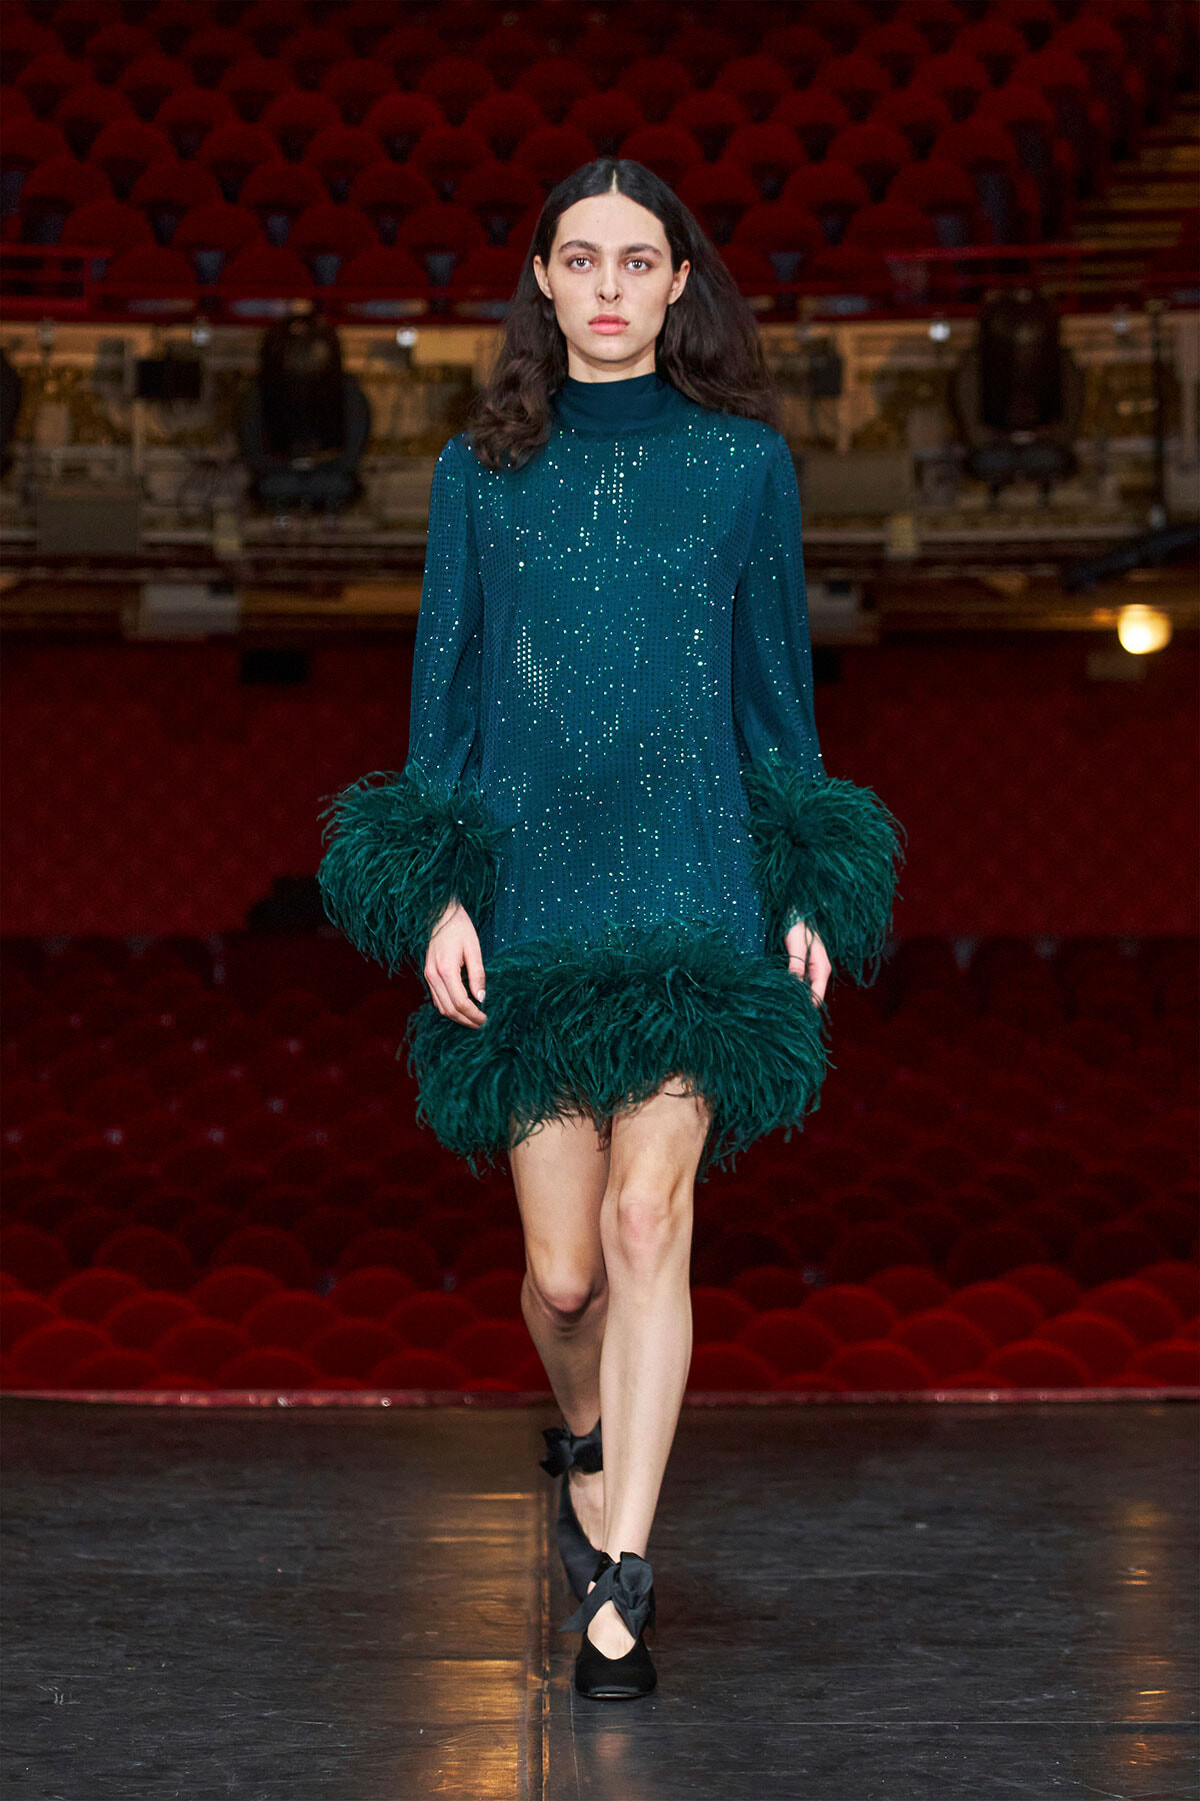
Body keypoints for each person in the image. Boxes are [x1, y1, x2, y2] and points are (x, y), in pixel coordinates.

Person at [317, 159, 905, 1700]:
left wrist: (804, 886)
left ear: (678, 285)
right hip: (533, 910)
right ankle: (583, 1434)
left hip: (697, 896)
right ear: (541, 280)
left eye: (637, 262)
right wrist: (433, 882)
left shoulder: (743, 469)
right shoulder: (477, 474)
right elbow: (438, 705)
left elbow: (782, 702)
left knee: (654, 1224)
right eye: (579, 261)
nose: (607, 288)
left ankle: (624, 1578)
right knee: (567, 1275)